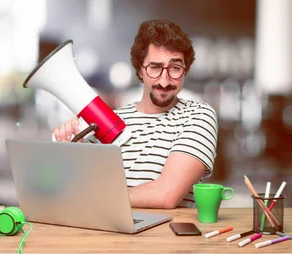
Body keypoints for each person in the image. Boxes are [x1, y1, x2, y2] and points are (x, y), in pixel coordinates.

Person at [52, 19, 218, 209]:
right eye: (155, 67)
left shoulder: (198, 116)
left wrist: (93, 196)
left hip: (168, 237)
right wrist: (71, 152)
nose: (164, 81)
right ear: (140, 69)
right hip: (108, 234)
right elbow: (76, 192)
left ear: (185, 70)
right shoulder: (107, 121)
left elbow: (166, 195)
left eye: (175, 68)